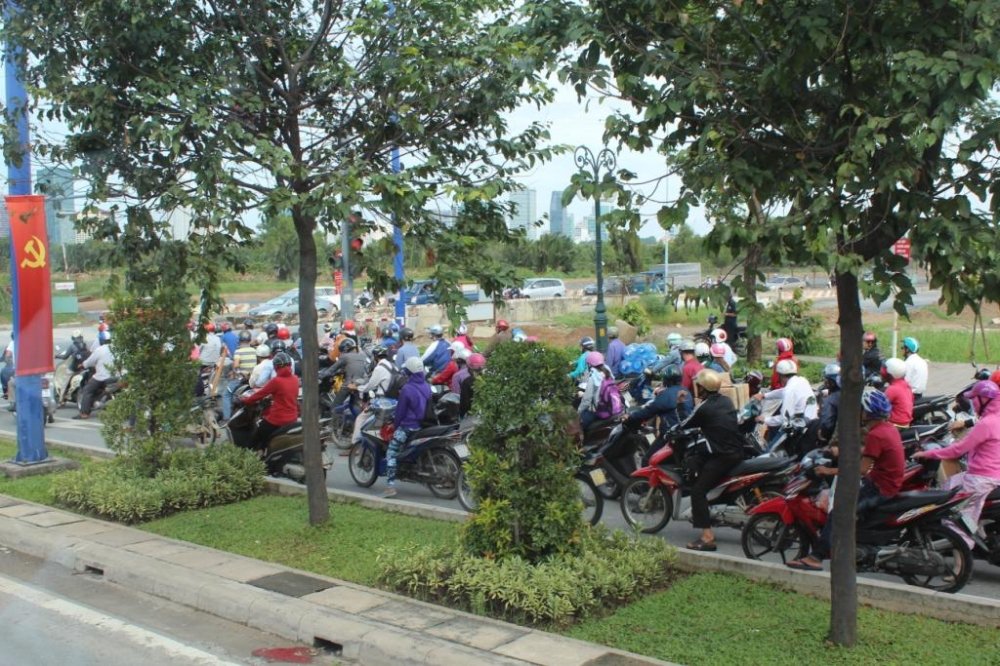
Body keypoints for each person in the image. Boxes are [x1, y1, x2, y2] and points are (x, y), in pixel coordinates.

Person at [787, 388, 905, 571]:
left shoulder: (875, 434)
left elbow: (861, 470)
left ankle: (816, 557)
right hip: (884, 483)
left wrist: (828, 470)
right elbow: (867, 452)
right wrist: (840, 451)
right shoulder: (888, 429)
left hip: (880, 488)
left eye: (861, 409)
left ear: (867, 412)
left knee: (838, 513)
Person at [914, 380, 1000, 544]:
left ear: (984, 400)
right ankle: (977, 533)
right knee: (949, 485)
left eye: (974, 398)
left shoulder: (986, 424)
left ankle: (961, 552)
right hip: (990, 476)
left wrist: (928, 453)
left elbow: (958, 450)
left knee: (954, 519)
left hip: (980, 479)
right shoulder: (994, 419)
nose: (973, 403)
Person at [679, 369, 746, 551]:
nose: (697, 388)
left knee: (698, 491)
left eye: (699, 386)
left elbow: (684, 424)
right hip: (737, 451)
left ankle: (707, 536)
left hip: (723, 456)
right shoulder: (726, 400)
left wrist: (680, 406)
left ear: (703, 388)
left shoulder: (705, 407)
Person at [383, 356, 432, 497]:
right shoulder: (427, 386)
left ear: (409, 372)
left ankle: (390, 486)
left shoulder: (407, 389)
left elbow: (400, 412)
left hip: (408, 426)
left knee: (391, 452)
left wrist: (395, 426)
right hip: (423, 425)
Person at [237, 352, 300, 452]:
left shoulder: (276, 381)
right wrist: (272, 396)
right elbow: (286, 394)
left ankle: (251, 454)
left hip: (278, 419)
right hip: (293, 418)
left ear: (276, 367)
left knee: (257, 436)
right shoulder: (295, 379)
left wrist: (245, 400)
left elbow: (259, 394)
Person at [625, 365, 692, 447]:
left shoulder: (666, 394)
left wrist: (631, 417)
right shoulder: (686, 391)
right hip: (684, 431)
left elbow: (649, 411)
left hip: (671, 435)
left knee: (650, 455)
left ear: (666, 380)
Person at [75, 332, 117, 420]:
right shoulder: (117, 348)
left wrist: (82, 365)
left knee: (87, 390)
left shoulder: (99, 350)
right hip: (116, 377)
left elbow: (89, 362)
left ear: (101, 341)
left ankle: (84, 413)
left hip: (102, 377)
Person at [223, 330, 259, 420]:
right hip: (253, 378)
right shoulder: (255, 350)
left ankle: (226, 418)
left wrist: (237, 373)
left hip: (242, 379)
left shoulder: (238, 352)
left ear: (239, 340)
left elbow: (236, 366)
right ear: (249, 340)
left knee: (226, 395)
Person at [328, 337, 370, 406]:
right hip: (365, 382)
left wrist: (320, 375)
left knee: (335, 405)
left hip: (353, 383)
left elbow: (332, 370)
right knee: (354, 403)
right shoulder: (362, 354)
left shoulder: (346, 356)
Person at [577, 351, 613, 431]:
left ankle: (585, 437)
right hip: (613, 407)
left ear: (590, 364)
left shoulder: (593, 377)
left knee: (581, 422)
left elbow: (587, 400)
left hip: (601, 410)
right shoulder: (608, 371)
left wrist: (578, 412)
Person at [883, 357, 913, 427]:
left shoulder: (892, 389)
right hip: (905, 422)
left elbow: (881, 406)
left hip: (895, 423)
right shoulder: (905, 385)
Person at [817, 363, 841, 445]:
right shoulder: (850, 394)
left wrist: (822, 434)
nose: (824, 381)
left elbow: (827, 425)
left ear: (831, 381)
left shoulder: (831, 399)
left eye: (826, 379)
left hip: (833, 441)